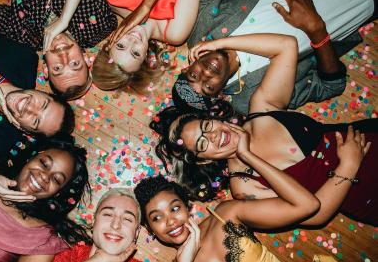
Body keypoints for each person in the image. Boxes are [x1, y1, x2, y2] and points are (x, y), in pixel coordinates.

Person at [151, 33, 377, 226]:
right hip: (367, 195)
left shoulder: (261, 108)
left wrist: (219, 44)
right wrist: (349, 165)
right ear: (203, 160)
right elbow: (315, 214)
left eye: (207, 126)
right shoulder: (243, 187)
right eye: (202, 143)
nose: (214, 135)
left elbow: (285, 46)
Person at [172, 0, 374, 115]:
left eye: (193, 75)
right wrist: (317, 31)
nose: (206, 74)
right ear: (217, 96)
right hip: (363, 0)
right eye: (207, 87)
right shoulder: (252, 98)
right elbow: (331, 87)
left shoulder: (197, 27)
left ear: (187, 66)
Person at [135, 175, 351, 262]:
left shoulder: (225, 214)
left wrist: (248, 154)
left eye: (174, 208)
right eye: (157, 217)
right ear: (150, 229)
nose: (171, 221)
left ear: (187, 207)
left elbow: (306, 206)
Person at [91, 0, 199, 93]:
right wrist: (147, 4)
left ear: (111, 42)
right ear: (146, 57)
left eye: (121, 45)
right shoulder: (175, 32)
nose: (133, 41)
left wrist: (146, 4)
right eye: (136, 53)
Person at [52, 188, 154, 262]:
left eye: (127, 219)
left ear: (136, 232)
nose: (115, 225)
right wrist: (99, 261)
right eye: (108, 214)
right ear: (94, 221)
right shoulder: (64, 258)